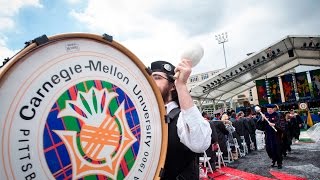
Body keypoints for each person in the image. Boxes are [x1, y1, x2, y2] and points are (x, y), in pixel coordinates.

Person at [150, 60, 212, 179]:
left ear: (172, 86)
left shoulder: (182, 118)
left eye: (157, 77)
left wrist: (181, 85)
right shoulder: (147, 118)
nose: (151, 82)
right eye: (150, 78)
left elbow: (200, 143)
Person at [257, 104, 285, 169]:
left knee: (277, 149)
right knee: (269, 149)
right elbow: (259, 126)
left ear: (273, 109)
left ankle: (279, 163)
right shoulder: (264, 115)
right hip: (268, 135)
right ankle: (273, 159)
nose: (269, 110)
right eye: (268, 109)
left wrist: (275, 124)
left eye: (270, 109)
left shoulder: (277, 115)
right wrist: (262, 120)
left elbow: (282, 125)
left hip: (276, 136)